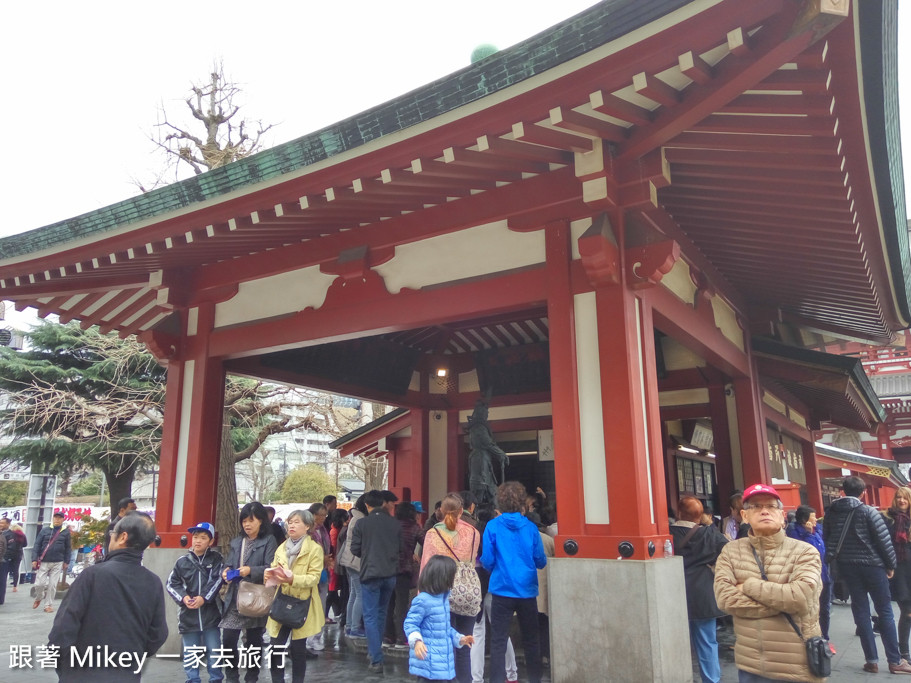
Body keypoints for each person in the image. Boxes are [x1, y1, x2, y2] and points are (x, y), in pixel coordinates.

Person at [714, 483, 824, 682]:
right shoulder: (731, 552)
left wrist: (748, 586)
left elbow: (799, 598)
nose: (764, 511)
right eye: (755, 506)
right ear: (744, 516)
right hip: (751, 665)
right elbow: (725, 600)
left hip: (796, 665)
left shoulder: (805, 552)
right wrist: (781, 602)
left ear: (782, 515)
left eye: (771, 506)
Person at [48, 511, 168, 682]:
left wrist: (65, 665)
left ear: (122, 537)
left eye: (113, 533)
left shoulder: (92, 575)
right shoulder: (153, 582)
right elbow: (158, 634)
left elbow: (63, 628)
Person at [823, 475, 911, 674]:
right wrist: (890, 565)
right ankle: (895, 661)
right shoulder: (868, 511)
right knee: (885, 610)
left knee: (861, 610)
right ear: (863, 493)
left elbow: (827, 539)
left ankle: (871, 660)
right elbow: (883, 542)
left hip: (847, 566)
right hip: (873, 566)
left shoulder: (831, 513)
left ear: (843, 492)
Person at [480, 482, 546, 683]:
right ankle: (535, 679)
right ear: (521, 503)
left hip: (501, 589)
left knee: (498, 641)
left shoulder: (492, 526)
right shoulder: (531, 528)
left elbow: (487, 561)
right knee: (531, 641)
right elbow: (540, 561)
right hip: (527, 591)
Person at [421, 493, 481, 683]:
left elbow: (426, 566)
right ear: (462, 511)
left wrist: (421, 594)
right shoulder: (473, 532)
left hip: (441, 591)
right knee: (464, 644)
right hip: (467, 591)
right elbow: (471, 561)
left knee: (443, 643)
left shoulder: (433, 534)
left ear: (441, 511)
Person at [670, 496, 727, 683]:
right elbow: (729, 552)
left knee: (676, 641)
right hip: (703, 593)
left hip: (675, 592)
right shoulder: (710, 534)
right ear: (700, 515)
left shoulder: (668, 532)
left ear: (679, 512)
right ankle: (711, 679)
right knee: (707, 642)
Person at [219, 501, 278, 683]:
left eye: (251, 520)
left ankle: (251, 677)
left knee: (253, 642)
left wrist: (250, 570)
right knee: (228, 639)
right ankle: (231, 677)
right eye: (244, 520)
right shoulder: (237, 541)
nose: (247, 524)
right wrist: (226, 571)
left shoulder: (269, 540)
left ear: (261, 521)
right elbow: (229, 562)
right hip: (235, 597)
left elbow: (271, 567)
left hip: (256, 597)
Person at [266, 509, 325, 683]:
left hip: (302, 603)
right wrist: (269, 575)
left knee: (298, 649)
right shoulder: (282, 547)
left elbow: (314, 578)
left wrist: (293, 578)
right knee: (275, 646)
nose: (292, 525)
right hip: (281, 601)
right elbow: (274, 567)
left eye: (297, 522)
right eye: (290, 522)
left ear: (307, 526)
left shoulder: (314, 549)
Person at [167, 522, 225, 683]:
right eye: (195, 537)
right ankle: (192, 679)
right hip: (188, 615)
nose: (198, 541)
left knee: (214, 650)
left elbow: (217, 580)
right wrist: (184, 598)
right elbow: (171, 584)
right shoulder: (182, 561)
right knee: (190, 652)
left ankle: (216, 679)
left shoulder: (217, 559)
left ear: (210, 541)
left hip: (211, 615)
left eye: (203, 538)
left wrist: (203, 598)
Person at [351, 489, 401, 674]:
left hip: (370, 574)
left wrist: (369, 553)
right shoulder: (394, 524)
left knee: (370, 616)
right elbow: (401, 548)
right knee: (381, 613)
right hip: (389, 574)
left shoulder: (362, 523)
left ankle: (376, 658)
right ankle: (375, 651)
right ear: (382, 503)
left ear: (367, 505)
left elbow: (355, 549)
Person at [405, 554, 475, 682]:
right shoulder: (423, 600)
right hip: (429, 665)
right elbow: (410, 624)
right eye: (452, 576)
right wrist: (417, 641)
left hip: (444, 666)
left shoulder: (443, 600)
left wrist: (460, 638)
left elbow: (445, 629)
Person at [471, 503, 520, 683]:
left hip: (475, 587)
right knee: (501, 632)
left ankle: (476, 678)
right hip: (496, 586)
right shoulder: (499, 534)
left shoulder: (472, 534)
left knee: (477, 632)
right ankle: (512, 674)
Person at [786, 504, 834, 653]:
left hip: (824, 574)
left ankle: (824, 637)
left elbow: (824, 550)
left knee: (825, 608)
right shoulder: (794, 532)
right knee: (810, 608)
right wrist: (808, 534)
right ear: (804, 520)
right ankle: (809, 637)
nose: (815, 521)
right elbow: (812, 551)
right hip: (808, 577)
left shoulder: (817, 529)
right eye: (812, 518)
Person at [387, 501, 422, 648]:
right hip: (404, 569)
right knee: (402, 605)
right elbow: (426, 541)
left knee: (388, 604)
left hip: (387, 569)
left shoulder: (390, 526)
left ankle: (387, 637)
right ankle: (401, 638)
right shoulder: (414, 528)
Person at [884, 487, 911, 661]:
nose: (902, 501)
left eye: (905, 498)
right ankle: (904, 652)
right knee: (907, 612)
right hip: (898, 569)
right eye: (899, 497)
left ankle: (904, 652)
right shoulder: (887, 519)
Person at [467, 399, 509, 507]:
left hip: (484, 459)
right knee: (480, 487)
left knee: (491, 489)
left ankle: (493, 513)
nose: (487, 415)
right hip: (480, 459)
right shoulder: (478, 428)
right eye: (485, 413)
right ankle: (476, 513)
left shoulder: (478, 427)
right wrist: (501, 454)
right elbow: (488, 443)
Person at [337, 494, 368, 638]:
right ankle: (355, 627)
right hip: (355, 561)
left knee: (354, 594)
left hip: (349, 560)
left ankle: (350, 625)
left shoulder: (354, 518)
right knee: (360, 594)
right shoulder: (360, 520)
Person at [32, 511, 71, 613]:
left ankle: (48, 605)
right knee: (39, 584)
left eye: (59, 518)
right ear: (53, 518)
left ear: (63, 519)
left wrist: (67, 561)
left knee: (52, 585)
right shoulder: (45, 531)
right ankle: (39, 596)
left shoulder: (66, 532)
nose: (57, 519)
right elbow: (37, 545)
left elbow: (68, 548)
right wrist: (34, 559)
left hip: (58, 561)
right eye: (55, 517)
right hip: (44, 561)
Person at [305, 502, 331, 653]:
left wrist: (326, 559)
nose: (323, 518)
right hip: (311, 571)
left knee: (320, 603)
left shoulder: (323, 529)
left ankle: (316, 637)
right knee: (310, 606)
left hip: (323, 570)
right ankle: (309, 638)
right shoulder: (308, 531)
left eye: (324, 515)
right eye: (320, 515)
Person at [326, 508, 349, 625]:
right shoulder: (336, 531)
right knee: (332, 590)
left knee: (333, 590)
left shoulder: (335, 529)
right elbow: (334, 547)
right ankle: (325, 614)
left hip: (335, 562)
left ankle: (338, 612)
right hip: (334, 563)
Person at [8, 522, 26, 592]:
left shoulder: (11, 534)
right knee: (16, 570)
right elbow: (25, 544)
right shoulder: (22, 535)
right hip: (18, 553)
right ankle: (15, 586)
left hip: (9, 553)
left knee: (6, 569)